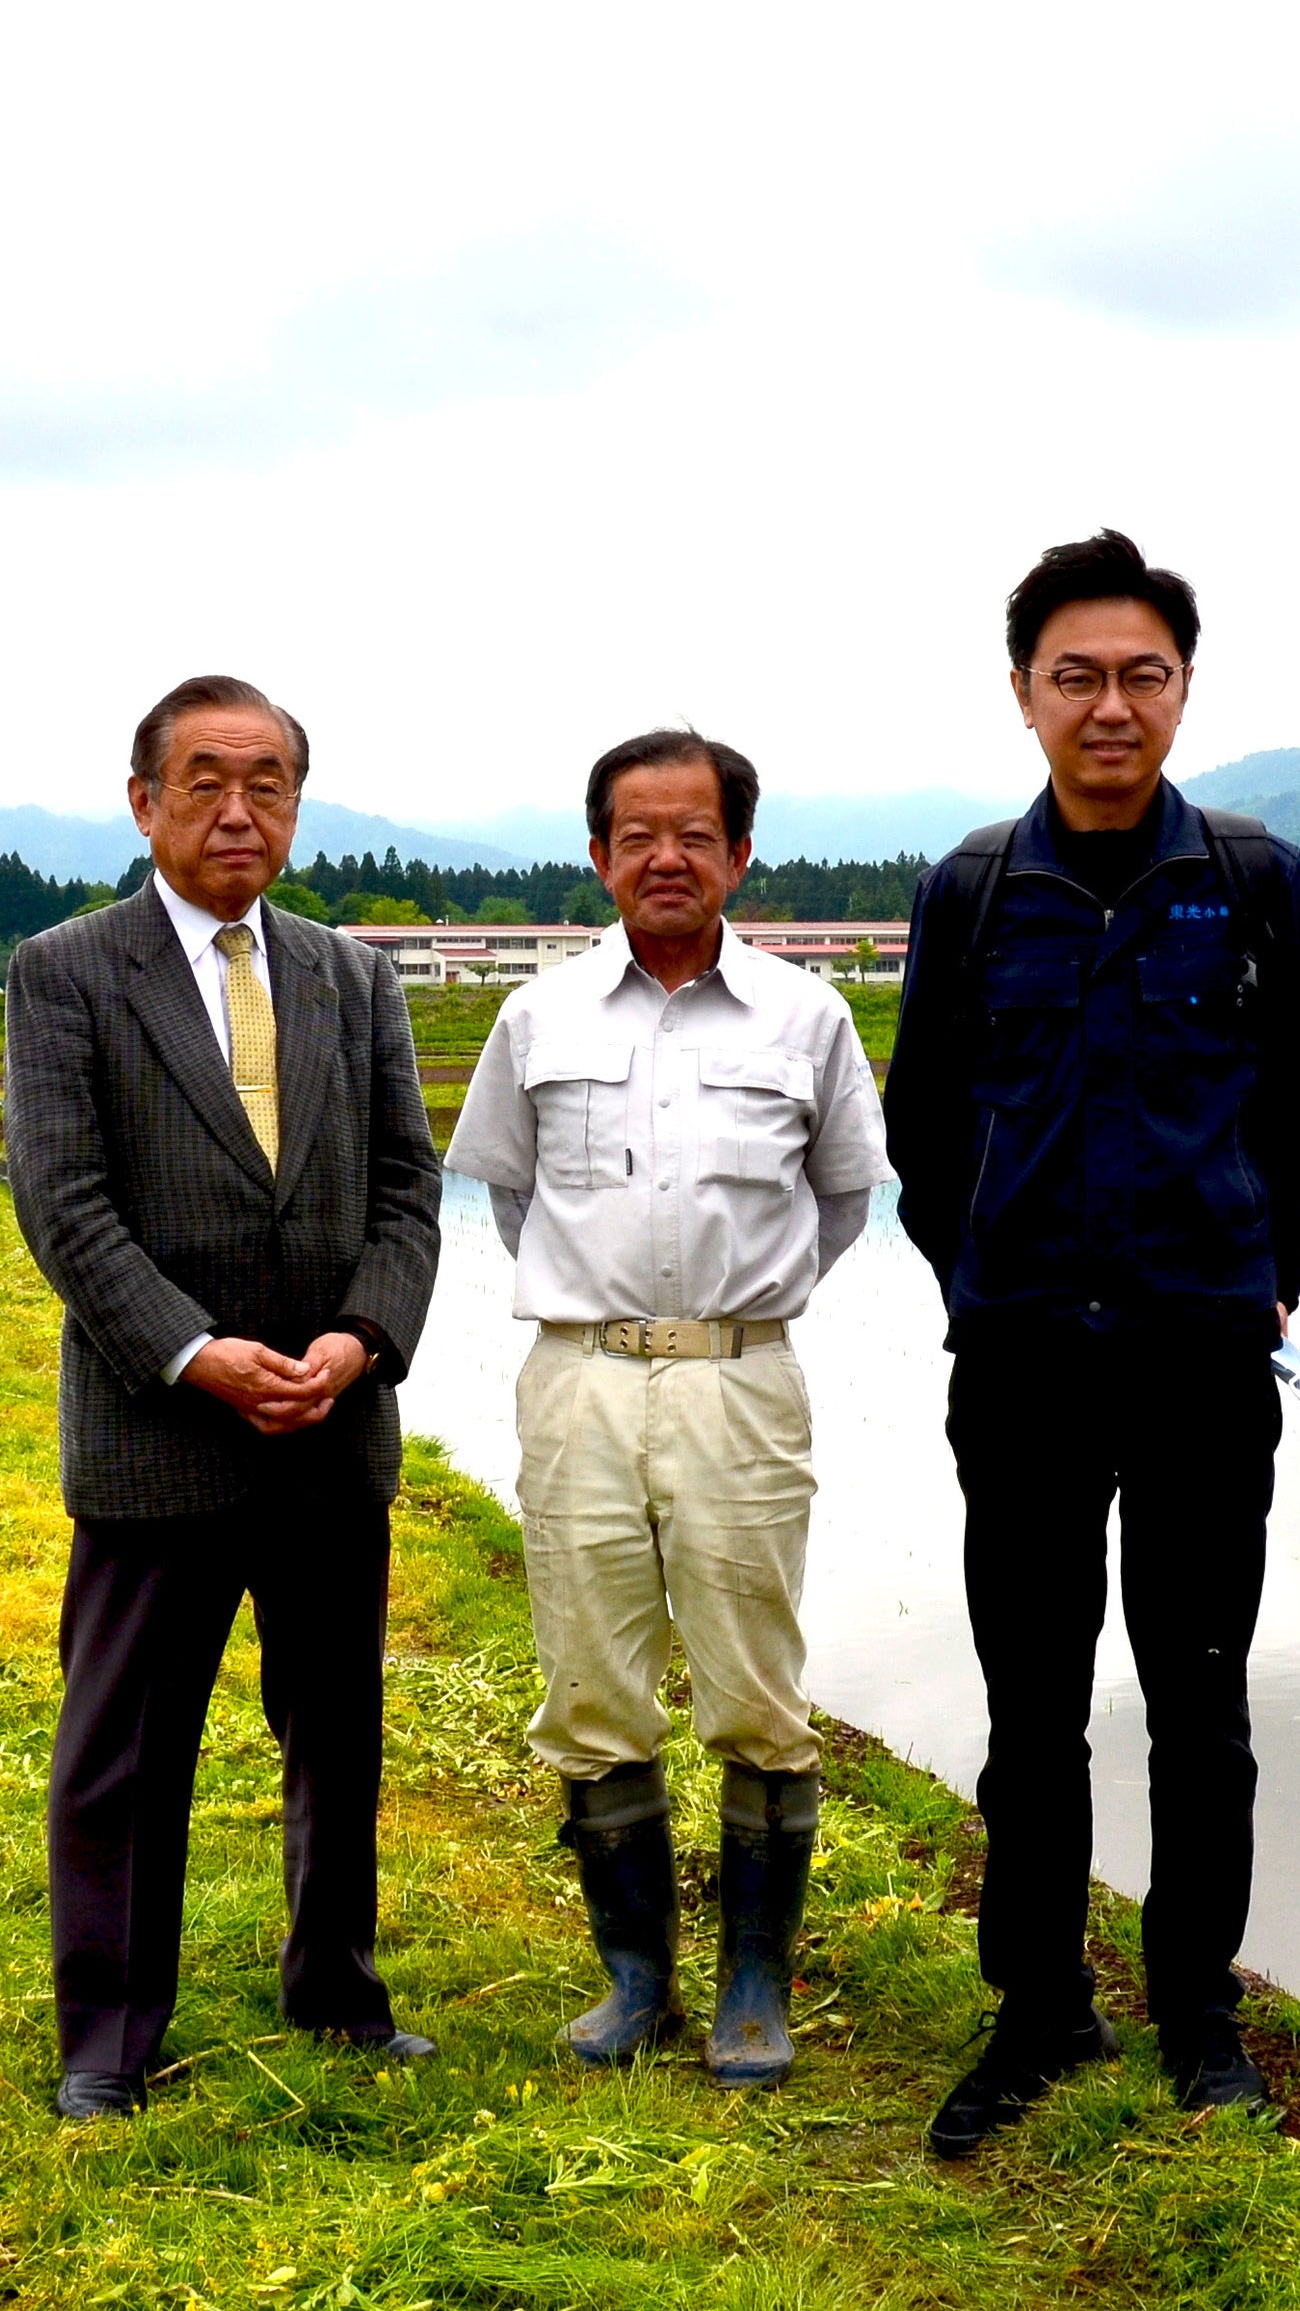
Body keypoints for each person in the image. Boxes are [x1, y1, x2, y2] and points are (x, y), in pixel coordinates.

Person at [882, 529, 1300, 2157]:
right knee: (1031, 1697)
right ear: (1023, 692)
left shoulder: (1252, 878)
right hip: (1020, 1363)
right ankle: (1037, 2009)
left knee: (1200, 1694)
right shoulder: (968, 893)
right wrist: (985, 1285)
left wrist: (1261, 1276)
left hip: (1203, 1360)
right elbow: (924, 1133)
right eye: (1075, 675)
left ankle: (1198, 2013)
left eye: (1138, 674)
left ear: (1181, 690)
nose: (1109, 704)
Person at [0, 672, 444, 2121]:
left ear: (298, 804)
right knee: (124, 1751)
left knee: (335, 1729)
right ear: (144, 802)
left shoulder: (350, 974)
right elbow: (66, 1204)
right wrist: (193, 1352)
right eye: (204, 780)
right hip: (158, 1435)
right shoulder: (69, 970)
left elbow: (405, 1189)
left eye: (268, 782)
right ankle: (110, 2037)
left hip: (331, 1428)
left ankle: (335, 1987)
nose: (238, 809)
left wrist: (363, 1338)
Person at [443, 730, 889, 2087]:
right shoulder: (540, 1017)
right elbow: (510, 1194)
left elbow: (846, 1198)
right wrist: (610, 1307)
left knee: (757, 1689)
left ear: (740, 854)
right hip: (578, 1376)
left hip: (739, 1381)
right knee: (588, 1682)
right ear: (599, 856)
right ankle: (636, 1977)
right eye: (637, 834)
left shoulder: (806, 1018)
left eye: (695, 833)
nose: (666, 857)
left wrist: (734, 1312)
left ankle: (754, 1980)